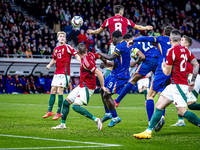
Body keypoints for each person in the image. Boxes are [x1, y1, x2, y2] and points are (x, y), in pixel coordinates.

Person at [133, 29, 200, 139]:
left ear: (169, 39)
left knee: (182, 111)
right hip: (174, 85)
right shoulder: (187, 51)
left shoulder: (171, 51)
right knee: (159, 105)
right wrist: (192, 80)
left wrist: (163, 66)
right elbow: (196, 64)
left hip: (179, 85)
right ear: (179, 39)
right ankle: (148, 131)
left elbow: (167, 72)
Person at [51, 43, 109, 130]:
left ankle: (97, 120)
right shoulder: (91, 54)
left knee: (75, 106)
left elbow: (99, 72)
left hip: (87, 87)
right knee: (65, 102)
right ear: (86, 50)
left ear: (77, 51)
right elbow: (99, 55)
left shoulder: (86, 62)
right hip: (81, 85)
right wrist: (105, 62)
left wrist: (102, 86)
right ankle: (62, 125)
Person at [126, 26, 174, 131]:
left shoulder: (161, 39)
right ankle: (162, 116)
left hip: (162, 69)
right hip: (172, 71)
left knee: (150, 95)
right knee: (163, 94)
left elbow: (146, 38)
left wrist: (133, 40)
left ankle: (150, 122)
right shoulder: (176, 44)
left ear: (164, 33)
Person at [87, 5, 153, 78]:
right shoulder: (125, 20)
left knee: (110, 66)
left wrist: (92, 31)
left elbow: (99, 31)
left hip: (114, 45)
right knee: (127, 63)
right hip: (125, 45)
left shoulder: (108, 20)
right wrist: (145, 28)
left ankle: (106, 86)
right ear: (121, 12)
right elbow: (137, 27)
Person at [97, 31, 133, 127]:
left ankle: (115, 117)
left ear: (114, 37)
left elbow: (111, 56)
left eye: (111, 38)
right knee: (102, 89)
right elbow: (114, 62)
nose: (111, 40)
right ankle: (108, 113)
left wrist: (99, 53)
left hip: (120, 76)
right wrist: (104, 61)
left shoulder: (120, 46)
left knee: (107, 95)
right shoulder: (124, 45)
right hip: (115, 72)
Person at [43, 31, 81, 120]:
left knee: (59, 92)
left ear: (65, 38)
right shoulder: (56, 49)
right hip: (57, 73)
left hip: (65, 73)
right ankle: (49, 111)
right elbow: (54, 59)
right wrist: (49, 64)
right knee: (52, 90)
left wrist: (81, 62)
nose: (62, 38)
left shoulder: (68, 47)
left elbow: (76, 55)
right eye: (60, 36)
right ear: (57, 38)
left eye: (63, 36)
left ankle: (58, 112)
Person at [114, 39, 159, 108]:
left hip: (149, 60)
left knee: (132, 80)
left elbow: (142, 57)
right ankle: (162, 115)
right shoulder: (143, 41)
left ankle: (117, 101)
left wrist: (134, 63)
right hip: (157, 59)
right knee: (160, 86)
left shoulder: (133, 47)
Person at [171, 35, 200, 126]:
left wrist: (193, 80)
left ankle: (181, 120)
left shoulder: (186, 52)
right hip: (187, 79)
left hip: (192, 78)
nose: (180, 41)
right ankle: (181, 120)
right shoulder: (182, 52)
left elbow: (196, 65)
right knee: (180, 99)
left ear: (186, 44)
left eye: (182, 40)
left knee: (190, 104)